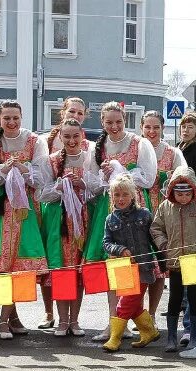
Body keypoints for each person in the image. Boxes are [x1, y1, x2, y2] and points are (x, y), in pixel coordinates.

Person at [83, 101, 157, 343]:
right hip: (110, 207)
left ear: (125, 120)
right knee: (113, 265)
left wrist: (120, 170)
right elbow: (91, 183)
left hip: (134, 207)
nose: (114, 126)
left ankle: (129, 322)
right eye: (108, 122)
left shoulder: (140, 143)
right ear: (102, 122)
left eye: (118, 121)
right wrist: (104, 177)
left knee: (135, 265)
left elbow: (148, 178)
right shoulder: (99, 147)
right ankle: (113, 321)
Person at [0, 100, 49, 339]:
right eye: (7, 118)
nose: (11, 122)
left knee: (20, 262)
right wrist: (3, 170)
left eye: (15, 118)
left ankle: (3, 320)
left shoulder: (35, 141)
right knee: (1, 262)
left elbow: (42, 177)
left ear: (22, 117)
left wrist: (23, 168)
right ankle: (11, 317)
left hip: (25, 208)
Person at [150, 165, 196, 351]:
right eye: (179, 194)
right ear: (172, 190)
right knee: (174, 298)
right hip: (174, 261)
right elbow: (156, 228)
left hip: (195, 260)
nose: (183, 198)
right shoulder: (165, 206)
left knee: (194, 298)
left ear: (193, 191)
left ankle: (195, 337)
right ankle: (172, 338)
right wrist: (163, 244)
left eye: (187, 194)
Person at [39, 118, 100, 337]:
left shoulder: (89, 160)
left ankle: (75, 320)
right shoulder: (52, 160)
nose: (72, 140)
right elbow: (42, 194)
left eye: (75, 136)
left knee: (77, 270)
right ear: (60, 138)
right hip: (59, 221)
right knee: (61, 268)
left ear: (82, 135)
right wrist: (60, 186)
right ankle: (62, 320)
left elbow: (97, 191)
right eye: (67, 136)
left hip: (83, 219)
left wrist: (83, 185)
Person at [101, 173, 159, 352]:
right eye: (116, 195)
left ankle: (115, 338)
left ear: (133, 195)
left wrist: (163, 263)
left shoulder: (144, 215)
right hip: (123, 270)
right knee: (134, 305)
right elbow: (106, 243)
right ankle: (149, 332)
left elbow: (154, 239)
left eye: (125, 194)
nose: (121, 199)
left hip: (143, 268)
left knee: (126, 303)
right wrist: (119, 249)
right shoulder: (111, 219)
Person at [140, 110, 187, 324]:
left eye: (156, 127)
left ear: (162, 128)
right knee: (140, 263)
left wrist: (170, 178)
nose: (151, 131)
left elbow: (184, 176)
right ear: (142, 128)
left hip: (163, 212)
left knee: (159, 266)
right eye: (148, 127)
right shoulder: (137, 148)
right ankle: (136, 312)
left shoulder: (172, 152)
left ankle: (151, 313)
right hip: (139, 211)